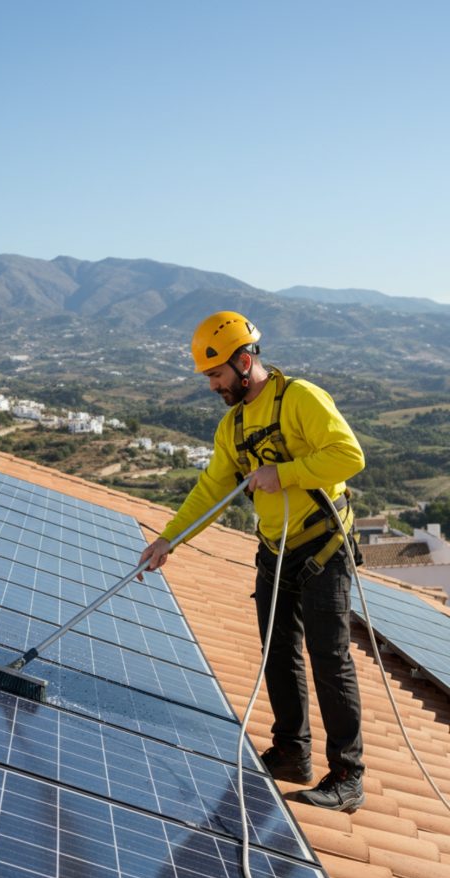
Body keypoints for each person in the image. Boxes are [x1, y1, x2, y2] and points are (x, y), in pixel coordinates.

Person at [138, 310, 366, 812]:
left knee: (329, 658)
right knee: (277, 649)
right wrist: (167, 540)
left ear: (244, 362)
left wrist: (283, 473)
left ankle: (348, 776)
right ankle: (291, 753)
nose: (213, 386)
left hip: (323, 545)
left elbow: (349, 456)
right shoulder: (233, 426)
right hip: (276, 548)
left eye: (218, 375)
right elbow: (210, 490)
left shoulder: (299, 399)